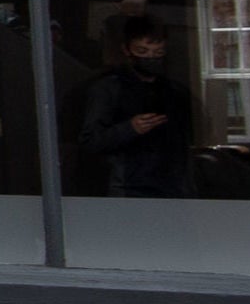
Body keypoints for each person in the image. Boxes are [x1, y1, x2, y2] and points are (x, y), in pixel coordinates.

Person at [77, 13, 191, 197]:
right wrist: (129, 128)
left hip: (171, 188)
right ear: (127, 50)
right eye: (143, 51)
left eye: (158, 53)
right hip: (128, 188)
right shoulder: (108, 89)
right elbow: (90, 142)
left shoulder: (175, 92)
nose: (151, 58)